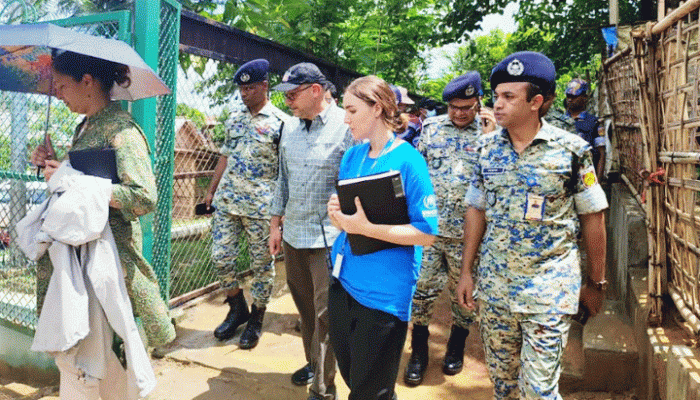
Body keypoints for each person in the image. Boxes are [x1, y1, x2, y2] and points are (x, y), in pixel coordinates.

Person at [456, 51, 609, 399]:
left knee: (539, 391)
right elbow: (475, 210)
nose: (498, 104)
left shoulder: (572, 151)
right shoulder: (484, 151)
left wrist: (595, 282)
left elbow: (593, 217)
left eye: (509, 97)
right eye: (497, 96)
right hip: (496, 289)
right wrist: (466, 271)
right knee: (505, 385)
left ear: (536, 101)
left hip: (549, 291)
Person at [30, 50, 175, 398]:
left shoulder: (122, 129)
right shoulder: (89, 125)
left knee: (108, 353)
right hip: (84, 258)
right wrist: (51, 164)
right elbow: (81, 179)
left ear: (88, 82)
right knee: (87, 355)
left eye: (63, 86)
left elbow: (144, 197)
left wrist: (72, 179)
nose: (59, 94)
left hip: (109, 262)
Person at [326, 75, 438, 400]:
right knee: (355, 377)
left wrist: (366, 228)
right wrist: (338, 213)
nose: (345, 119)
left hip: (383, 294)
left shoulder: (409, 161)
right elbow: (349, 215)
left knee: (368, 392)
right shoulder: (352, 157)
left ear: (376, 108)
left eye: (352, 110)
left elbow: (427, 233)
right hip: (343, 281)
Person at [404, 71, 496, 386]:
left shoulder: (491, 134)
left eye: (466, 107)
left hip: (466, 237)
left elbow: (496, 179)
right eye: (454, 107)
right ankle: (418, 351)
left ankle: (455, 345)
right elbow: (415, 172)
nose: (459, 113)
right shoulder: (430, 129)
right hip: (429, 230)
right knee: (420, 291)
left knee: (465, 296)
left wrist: (492, 136)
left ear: (478, 103)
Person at [269, 62, 353, 400]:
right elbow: (282, 180)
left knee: (326, 315)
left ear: (315, 91)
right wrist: (275, 224)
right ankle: (313, 363)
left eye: (292, 93)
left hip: (328, 240)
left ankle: (323, 388)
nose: (287, 100)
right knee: (305, 310)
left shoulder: (345, 126)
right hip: (294, 236)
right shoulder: (289, 127)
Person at [204, 59, 290, 348]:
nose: (244, 93)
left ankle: (256, 318)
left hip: (261, 206)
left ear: (264, 87)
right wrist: (211, 190)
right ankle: (236, 308)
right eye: (241, 88)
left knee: (262, 265)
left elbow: (285, 170)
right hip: (228, 201)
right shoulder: (234, 117)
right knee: (221, 257)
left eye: (250, 88)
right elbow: (225, 155)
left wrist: (281, 213)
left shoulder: (281, 123)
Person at [565, 78, 605, 178]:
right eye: (568, 96)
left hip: (586, 177)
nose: (570, 99)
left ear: (584, 98)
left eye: (574, 96)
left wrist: (598, 184)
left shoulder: (595, 122)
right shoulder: (558, 121)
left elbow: (601, 155)